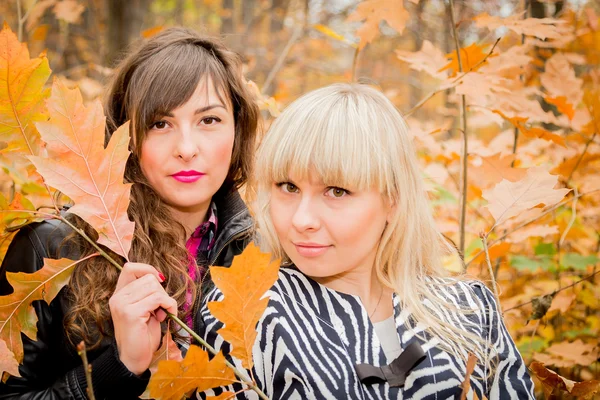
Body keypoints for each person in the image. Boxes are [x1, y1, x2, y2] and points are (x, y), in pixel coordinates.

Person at [199, 83, 535, 399]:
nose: (302, 220)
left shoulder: (470, 310)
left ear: (392, 200)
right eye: (288, 187)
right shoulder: (246, 312)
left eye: (337, 191)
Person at [0, 27, 259, 399]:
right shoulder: (51, 245)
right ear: (128, 139)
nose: (187, 148)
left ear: (238, 129)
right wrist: (119, 367)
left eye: (209, 120)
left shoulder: (268, 252)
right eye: (160, 123)